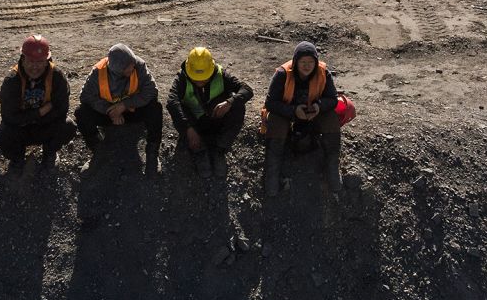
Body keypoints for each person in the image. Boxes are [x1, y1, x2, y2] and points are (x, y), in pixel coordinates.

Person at [262, 41, 342, 196]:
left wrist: (319, 106)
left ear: (316, 62)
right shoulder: (282, 74)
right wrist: (293, 111)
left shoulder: (323, 72)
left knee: (331, 118)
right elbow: (270, 103)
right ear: (296, 61)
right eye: (303, 62)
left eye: (311, 62)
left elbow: (332, 99)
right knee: (276, 123)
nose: (307, 66)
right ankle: (272, 173)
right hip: (287, 113)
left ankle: (332, 167)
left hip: (312, 113)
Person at [165, 47, 253, 179]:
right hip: (195, 123)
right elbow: (171, 101)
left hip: (216, 120)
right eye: (196, 79)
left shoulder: (221, 74)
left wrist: (229, 102)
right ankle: (199, 151)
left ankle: (219, 150)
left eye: (204, 79)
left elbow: (247, 90)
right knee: (177, 109)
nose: (200, 82)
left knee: (238, 106)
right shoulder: (182, 78)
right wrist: (188, 127)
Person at [76, 43, 163, 176]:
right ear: (118, 70)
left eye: (132, 63)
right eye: (128, 68)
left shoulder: (138, 65)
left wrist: (124, 105)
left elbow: (152, 90)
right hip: (109, 114)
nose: (132, 67)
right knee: (82, 112)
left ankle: (152, 153)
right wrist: (109, 111)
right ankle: (98, 151)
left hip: (132, 110)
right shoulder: (98, 72)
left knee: (155, 108)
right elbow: (85, 96)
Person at [0, 34, 75, 175]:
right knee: (3, 136)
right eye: (31, 61)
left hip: (44, 125)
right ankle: (17, 158)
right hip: (21, 128)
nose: (35, 67)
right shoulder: (12, 80)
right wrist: (40, 112)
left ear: (47, 60)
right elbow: (9, 117)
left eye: (39, 62)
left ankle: (49, 153)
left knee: (68, 126)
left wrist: (39, 120)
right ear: (23, 59)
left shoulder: (56, 76)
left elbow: (62, 109)